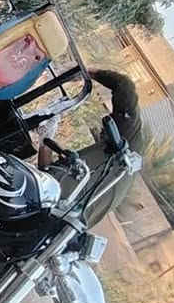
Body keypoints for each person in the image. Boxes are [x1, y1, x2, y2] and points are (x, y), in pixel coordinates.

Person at [38, 68, 143, 223]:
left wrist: (86, 72)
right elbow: (47, 175)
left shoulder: (122, 146)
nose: (101, 131)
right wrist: (45, 142)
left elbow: (124, 85)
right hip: (54, 222)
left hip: (49, 215)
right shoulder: (109, 169)